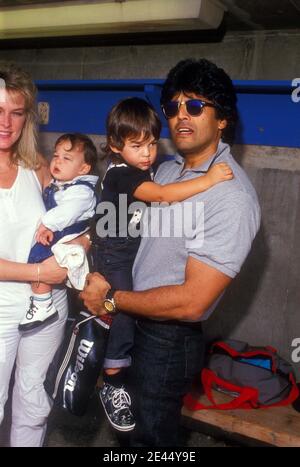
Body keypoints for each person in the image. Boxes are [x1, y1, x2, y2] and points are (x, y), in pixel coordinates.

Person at [81, 58, 261, 447]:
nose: (182, 115)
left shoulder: (231, 197)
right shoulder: (162, 172)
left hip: (167, 339)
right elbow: (121, 227)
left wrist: (111, 300)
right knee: (128, 436)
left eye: (195, 106)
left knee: (151, 440)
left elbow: (193, 303)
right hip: (131, 320)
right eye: (173, 107)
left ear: (223, 119)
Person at [94, 96, 233, 432]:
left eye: (153, 144)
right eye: (137, 145)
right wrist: (209, 179)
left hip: (125, 248)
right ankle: (111, 379)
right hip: (116, 255)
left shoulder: (143, 167)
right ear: (115, 145)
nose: (148, 154)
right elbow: (161, 196)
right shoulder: (121, 175)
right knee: (121, 308)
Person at [0, 63, 76, 447]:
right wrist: (40, 270)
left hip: (47, 308)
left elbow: (83, 214)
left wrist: (81, 245)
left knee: (33, 405)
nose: (6, 123)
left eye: (16, 113)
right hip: (1, 308)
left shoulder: (38, 167)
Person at [18, 133, 98, 332]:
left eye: (66, 158)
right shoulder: (61, 184)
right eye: (56, 155)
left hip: (69, 231)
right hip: (61, 229)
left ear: (83, 169)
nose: (57, 161)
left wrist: (46, 224)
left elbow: (67, 212)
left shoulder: (82, 190)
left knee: (40, 256)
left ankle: (43, 302)